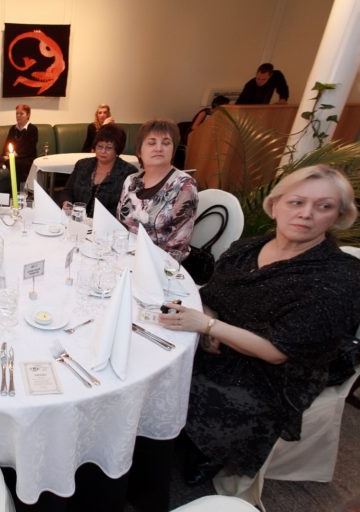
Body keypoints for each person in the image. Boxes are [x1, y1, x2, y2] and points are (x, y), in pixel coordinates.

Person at [158, 165, 360, 485]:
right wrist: (211, 317)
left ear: (337, 216)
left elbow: (278, 352)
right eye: (296, 202)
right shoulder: (247, 249)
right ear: (275, 205)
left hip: (276, 373)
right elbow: (213, 294)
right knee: (161, 354)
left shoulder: (338, 278)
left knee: (205, 388)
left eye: (324, 206)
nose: (306, 214)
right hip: (224, 338)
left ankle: (208, 452)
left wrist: (209, 326)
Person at [117, 119, 198, 260]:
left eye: (166, 143)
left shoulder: (184, 185)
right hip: (124, 257)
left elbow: (178, 247)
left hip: (159, 264)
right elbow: (120, 224)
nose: (159, 148)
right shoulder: (131, 181)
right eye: (151, 143)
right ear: (139, 151)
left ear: (173, 150)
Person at [62, 124, 137, 217]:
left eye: (109, 148)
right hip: (77, 219)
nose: (103, 151)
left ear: (117, 149)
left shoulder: (128, 172)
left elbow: (128, 208)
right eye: (99, 146)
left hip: (108, 223)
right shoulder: (82, 165)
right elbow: (67, 190)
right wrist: (67, 202)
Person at [3, 104, 38, 183]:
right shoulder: (13, 128)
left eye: (21, 114)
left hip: (26, 158)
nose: (18, 116)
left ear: (28, 115)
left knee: (13, 162)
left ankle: (20, 187)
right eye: (17, 113)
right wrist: (6, 154)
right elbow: (6, 145)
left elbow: (30, 150)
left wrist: (15, 155)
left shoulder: (32, 129)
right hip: (12, 156)